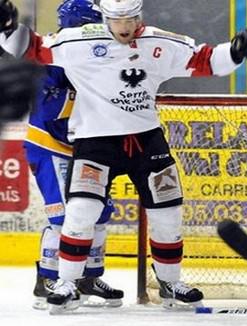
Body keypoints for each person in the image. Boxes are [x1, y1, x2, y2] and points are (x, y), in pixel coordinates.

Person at [0, 0, 247, 313]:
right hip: (95, 143)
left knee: (168, 214)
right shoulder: (80, 41)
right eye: (116, 19)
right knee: (81, 211)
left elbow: (204, 60)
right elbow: (33, 48)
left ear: (139, 16)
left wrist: (236, 50)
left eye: (129, 19)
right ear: (105, 18)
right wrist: (7, 28)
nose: (123, 27)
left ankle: (169, 282)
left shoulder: (159, 41)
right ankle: (67, 283)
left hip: (147, 143)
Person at [26, 0, 124, 310]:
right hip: (51, 145)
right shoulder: (52, 57)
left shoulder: (96, 56)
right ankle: (48, 280)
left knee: (97, 212)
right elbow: (55, 109)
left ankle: (86, 278)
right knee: (65, 217)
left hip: (87, 146)